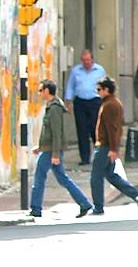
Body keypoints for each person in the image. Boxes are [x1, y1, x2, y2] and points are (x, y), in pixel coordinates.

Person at [28, 80, 93, 218]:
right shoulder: (51, 106)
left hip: (52, 151)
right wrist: (40, 147)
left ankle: (35, 208)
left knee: (39, 177)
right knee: (62, 179)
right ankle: (84, 203)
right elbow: (48, 132)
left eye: (41, 90)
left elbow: (56, 132)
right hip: (49, 149)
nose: (39, 93)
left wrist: (55, 154)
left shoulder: (55, 108)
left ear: (47, 91)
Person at [89, 76, 138, 214]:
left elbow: (112, 128)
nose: (98, 92)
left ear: (106, 90)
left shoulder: (110, 105)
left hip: (104, 147)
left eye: (99, 89)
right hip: (107, 146)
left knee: (96, 177)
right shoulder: (112, 103)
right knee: (112, 176)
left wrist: (113, 149)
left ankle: (98, 207)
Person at [64, 49, 106, 165]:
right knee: (81, 129)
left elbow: (105, 86)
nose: (86, 62)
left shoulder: (99, 70)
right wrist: (68, 101)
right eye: (84, 60)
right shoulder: (76, 71)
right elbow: (71, 86)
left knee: (95, 129)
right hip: (80, 102)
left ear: (92, 59)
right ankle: (84, 158)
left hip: (95, 101)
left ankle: (99, 155)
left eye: (88, 60)